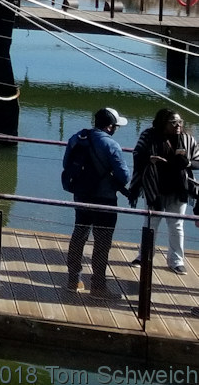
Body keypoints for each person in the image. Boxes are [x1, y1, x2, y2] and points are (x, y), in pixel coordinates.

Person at [64, 105, 132, 297]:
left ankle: (73, 280)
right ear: (110, 127)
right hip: (105, 199)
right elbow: (124, 176)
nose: (116, 129)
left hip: (81, 195)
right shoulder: (111, 145)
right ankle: (98, 286)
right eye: (116, 126)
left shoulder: (77, 138)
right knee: (102, 242)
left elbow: (66, 164)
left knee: (79, 235)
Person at [130, 108, 199, 273]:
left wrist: (187, 163)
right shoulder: (149, 136)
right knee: (150, 222)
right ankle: (144, 256)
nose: (177, 125)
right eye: (173, 122)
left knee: (176, 225)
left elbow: (198, 161)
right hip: (155, 187)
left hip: (179, 187)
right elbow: (137, 154)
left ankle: (176, 260)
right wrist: (149, 159)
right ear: (163, 122)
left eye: (180, 122)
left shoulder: (188, 139)